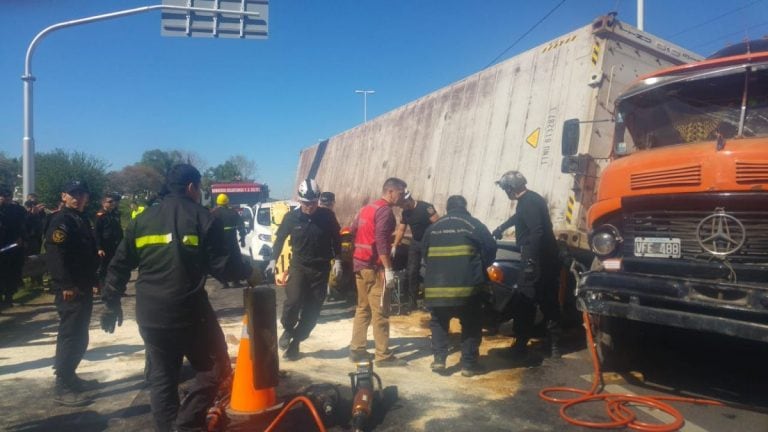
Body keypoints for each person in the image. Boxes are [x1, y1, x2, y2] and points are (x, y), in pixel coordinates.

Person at [101, 164, 260, 432]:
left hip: (150, 314)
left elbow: (118, 264)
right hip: (188, 312)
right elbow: (223, 267)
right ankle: (186, 425)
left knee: (163, 378)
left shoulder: (142, 220)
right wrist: (250, 272)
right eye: (199, 188)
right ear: (191, 188)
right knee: (214, 369)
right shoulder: (202, 218)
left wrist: (111, 301)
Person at [266, 179, 341, 360]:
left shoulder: (327, 217)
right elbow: (280, 239)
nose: (310, 207)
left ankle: (296, 342)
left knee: (312, 312)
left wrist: (338, 259)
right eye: (307, 203)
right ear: (299, 200)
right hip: (299, 266)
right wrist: (272, 260)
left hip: (320, 269)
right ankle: (288, 329)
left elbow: (336, 239)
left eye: (314, 203)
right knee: (293, 300)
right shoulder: (291, 218)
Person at [422, 195, 496, 377]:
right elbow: (491, 248)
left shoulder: (433, 228)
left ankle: (439, 360)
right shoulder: (474, 224)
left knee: (439, 323)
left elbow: (425, 255)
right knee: (471, 324)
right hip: (467, 289)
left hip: (437, 288)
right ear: (465, 206)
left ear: (447, 209)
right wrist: (479, 265)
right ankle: (468, 365)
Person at [493, 170, 562, 359]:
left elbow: (537, 231)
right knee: (549, 301)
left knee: (525, 301)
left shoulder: (528, 202)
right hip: (545, 259)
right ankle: (554, 345)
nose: (504, 192)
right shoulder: (530, 200)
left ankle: (521, 346)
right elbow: (519, 218)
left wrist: (530, 260)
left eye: (505, 188)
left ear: (510, 188)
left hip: (536, 260)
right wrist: (502, 228)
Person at [44, 180, 100, 406]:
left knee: (80, 334)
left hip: (83, 286)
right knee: (70, 335)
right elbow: (56, 254)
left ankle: (71, 376)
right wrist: (65, 284)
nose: (78, 197)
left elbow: (87, 254)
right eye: (73, 194)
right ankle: (62, 384)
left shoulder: (81, 219)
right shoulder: (62, 220)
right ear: (64, 196)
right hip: (70, 289)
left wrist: (95, 279)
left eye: (82, 194)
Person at [348, 177, 409, 367]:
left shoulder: (366, 209)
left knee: (362, 308)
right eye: (400, 193)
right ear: (390, 192)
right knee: (381, 311)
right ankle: (383, 355)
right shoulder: (385, 212)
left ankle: (357, 350)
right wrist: (388, 269)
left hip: (359, 265)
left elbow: (352, 231)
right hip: (374, 268)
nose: (401, 197)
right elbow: (381, 240)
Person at [392, 190, 439, 310]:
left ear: (408, 200)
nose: (401, 206)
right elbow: (401, 230)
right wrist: (395, 245)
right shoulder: (405, 213)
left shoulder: (426, 207)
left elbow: (438, 224)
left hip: (429, 242)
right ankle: (412, 302)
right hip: (416, 242)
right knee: (411, 271)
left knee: (431, 271)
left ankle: (431, 302)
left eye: (402, 204)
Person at [211, 193, 247, 288]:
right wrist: (242, 239)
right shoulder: (233, 212)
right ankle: (236, 281)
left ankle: (224, 282)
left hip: (220, 242)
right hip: (232, 240)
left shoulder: (214, 213)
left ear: (218, 202)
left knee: (222, 261)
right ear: (227, 202)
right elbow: (241, 226)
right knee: (235, 259)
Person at [0, 186, 27, 307]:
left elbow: (24, 225)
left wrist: (21, 237)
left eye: (7, 196)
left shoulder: (18, 210)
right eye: (3, 196)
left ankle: (9, 297)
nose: (5, 199)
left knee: (11, 272)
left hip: (13, 246)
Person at [94, 193, 123, 289]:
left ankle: (116, 287)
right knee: (104, 268)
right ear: (103, 203)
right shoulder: (100, 216)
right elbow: (97, 233)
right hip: (105, 247)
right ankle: (103, 288)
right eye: (110, 202)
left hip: (116, 245)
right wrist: (99, 248)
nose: (112, 203)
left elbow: (119, 230)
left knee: (115, 267)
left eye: (113, 201)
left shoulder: (115, 214)